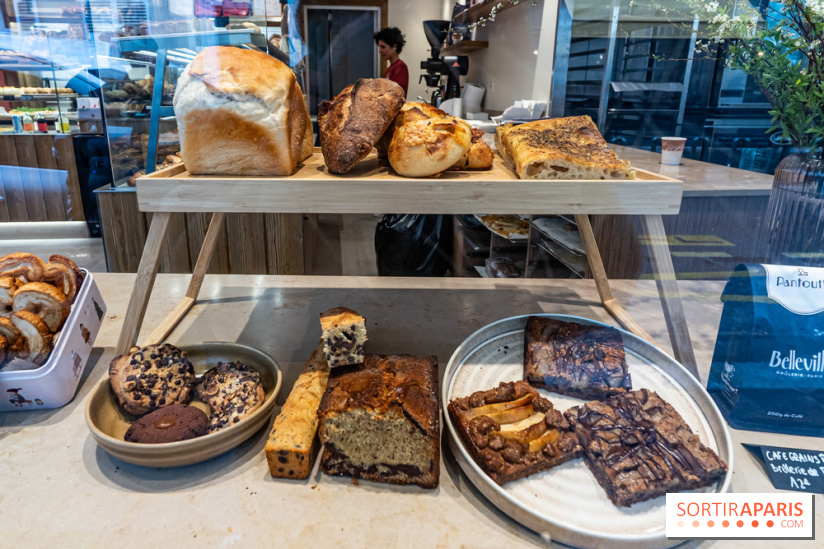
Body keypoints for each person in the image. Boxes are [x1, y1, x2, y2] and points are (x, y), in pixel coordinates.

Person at [373, 27, 408, 97]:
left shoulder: (400, 67)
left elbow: (397, 94)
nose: (380, 51)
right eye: (379, 47)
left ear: (394, 47)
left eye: (383, 47)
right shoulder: (390, 68)